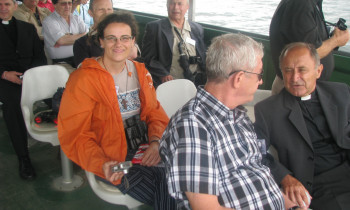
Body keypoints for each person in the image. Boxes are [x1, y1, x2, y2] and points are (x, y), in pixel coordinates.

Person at [58, 12, 176, 209]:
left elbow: (155, 113)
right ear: (101, 42)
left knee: (183, 177)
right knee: (169, 188)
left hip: (146, 146)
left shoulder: (141, 72)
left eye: (124, 38)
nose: (118, 44)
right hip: (111, 156)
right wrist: (101, 163)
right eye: (111, 38)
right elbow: (76, 134)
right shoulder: (83, 79)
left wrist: (156, 142)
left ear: (132, 41)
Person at [160, 33, 290, 209]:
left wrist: (292, 204)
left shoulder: (238, 115)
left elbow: (258, 172)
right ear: (238, 78)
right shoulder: (193, 126)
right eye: (259, 75)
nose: (260, 81)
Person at [254, 42, 350, 210]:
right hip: (318, 182)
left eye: (302, 70)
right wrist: (285, 177)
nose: (294, 78)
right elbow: (256, 152)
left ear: (318, 71)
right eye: (288, 71)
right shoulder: (268, 110)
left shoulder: (340, 92)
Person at [0, 0, 46, 180]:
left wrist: (29, 76)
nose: (3, 8)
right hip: (4, 79)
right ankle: (23, 158)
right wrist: (5, 74)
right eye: (0, 4)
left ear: (14, 6)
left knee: (60, 96)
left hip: (29, 76)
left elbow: (40, 57)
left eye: (7, 4)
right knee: (13, 105)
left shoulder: (27, 28)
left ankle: (66, 145)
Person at [269, 0, 350, 95]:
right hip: (295, 87)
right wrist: (336, 40)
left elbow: (310, 41)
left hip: (301, 86)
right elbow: (309, 54)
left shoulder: (310, 4)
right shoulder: (301, 4)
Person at [142, 0, 206, 87]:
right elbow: (148, 58)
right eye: (172, 3)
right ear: (167, 5)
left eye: (180, 4)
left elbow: (203, 56)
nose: (176, 7)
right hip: (169, 82)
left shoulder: (197, 28)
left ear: (187, 7)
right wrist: (163, 74)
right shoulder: (155, 28)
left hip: (194, 81)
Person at [73, 0, 140, 67]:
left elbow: (134, 53)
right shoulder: (80, 43)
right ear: (90, 13)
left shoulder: (123, 33)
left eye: (109, 9)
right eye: (101, 10)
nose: (106, 14)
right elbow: (84, 70)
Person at [42, 0, 87, 72]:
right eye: (63, 3)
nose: (67, 6)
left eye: (69, 3)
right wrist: (82, 36)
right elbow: (62, 40)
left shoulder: (77, 19)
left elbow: (88, 38)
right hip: (61, 64)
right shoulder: (49, 21)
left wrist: (69, 37)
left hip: (81, 60)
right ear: (54, 4)